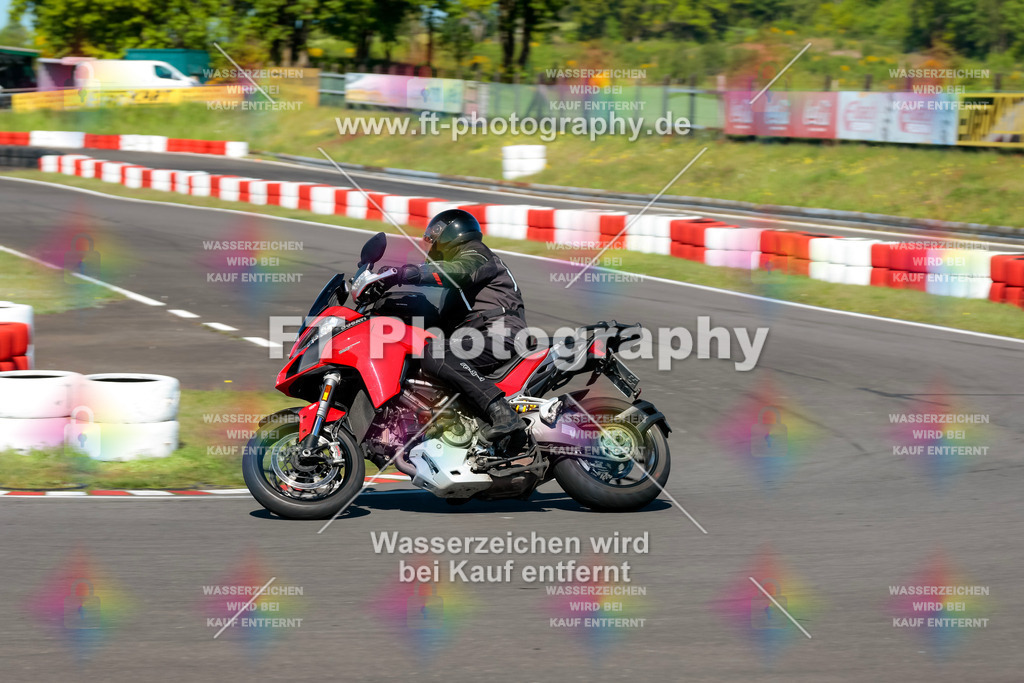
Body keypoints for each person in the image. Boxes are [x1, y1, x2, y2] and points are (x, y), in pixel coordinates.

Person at [378, 209, 527, 441]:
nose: (429, 244)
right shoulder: (455, 294)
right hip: (478, 335)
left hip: (502, 332)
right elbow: (439, 324)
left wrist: (409, 273)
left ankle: (502, 413)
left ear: (449, 235)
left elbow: (459, 272)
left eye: (433, 237)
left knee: (436, 352)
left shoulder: (477, 255)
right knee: (423, 351)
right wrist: (391, 305)